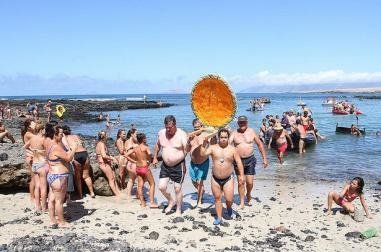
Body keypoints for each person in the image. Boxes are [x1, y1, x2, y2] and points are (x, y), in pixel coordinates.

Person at [201, 128, 244, 225]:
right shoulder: (212, 147)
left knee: (229, 199)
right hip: (215, 178)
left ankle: (229, 207)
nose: (223, 139)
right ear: (218, 138)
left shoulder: (233, 149)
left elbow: (239, 162)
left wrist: (241, 176)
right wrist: (204, 143)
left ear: (228, 138)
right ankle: (219, 218)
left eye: (225, 137)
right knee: (217, 198)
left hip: (228, 178)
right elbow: (202, 154)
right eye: (221, 137)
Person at [229, 115, 268, 208]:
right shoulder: (234, 133)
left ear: (247, 123)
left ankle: (249, 194)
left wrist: (264, 158)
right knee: (240, 182)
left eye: (244, 122)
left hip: (250, 159)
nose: (242, 124)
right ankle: (242, 202)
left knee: (250, 182)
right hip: (238, 161)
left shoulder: (252, 132)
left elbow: (260, 145)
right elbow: (227, 145)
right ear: (238, 123)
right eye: (240, 122)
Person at [152, 115, 188, 215]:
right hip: (165, 165)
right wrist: (155, 157)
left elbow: (186, 150)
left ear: (175, 125)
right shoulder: (161, 133)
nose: (168, 129)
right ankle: (171, 201)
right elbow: (157, 145)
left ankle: (179, 209)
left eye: (170, 127)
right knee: (161, 187)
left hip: (178, 165)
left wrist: (189, 145)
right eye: (166, 127)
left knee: (177, 188)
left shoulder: (182, 134)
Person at [45, 124, 79, 227]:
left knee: (51, 199)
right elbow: (68, 158)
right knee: (59, 201)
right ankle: (61, 222)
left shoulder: (49, 144)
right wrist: (74, 148)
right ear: (55, 135)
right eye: (60, 134)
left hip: (51, 175)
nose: (62, 135)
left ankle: (52, 220)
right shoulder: (56, 147)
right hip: (59, 176)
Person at [186, 119, 215, 207]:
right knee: (194, 181)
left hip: (203, 162)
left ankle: (199, 201)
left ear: (202, 127)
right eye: (195, 128)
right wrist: (188, 142)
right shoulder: (191, 136)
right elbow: (187, 150)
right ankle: (201, 191)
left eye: (198, 127)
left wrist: (214, 135)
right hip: (193, 163)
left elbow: (214, 144)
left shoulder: (206, 135)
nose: (197, 129)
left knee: (199, 182)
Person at [62, 125, 95, 199]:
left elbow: (67, 148)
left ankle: (80, 195)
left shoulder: (64, 138)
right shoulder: (76, 136)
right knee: (86, 176)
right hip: (84, 153)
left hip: (76, 155)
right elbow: (82, 144)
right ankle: (92, 192)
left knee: (78, 177)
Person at [126, 133, 158, 208]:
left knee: (140, 186)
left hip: (138, 168)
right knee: (152, 184)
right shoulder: (145, 147)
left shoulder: (135, 148)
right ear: (143, 139)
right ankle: (152, 202)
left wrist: (134, 161)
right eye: (145, 138)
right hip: (145, 167)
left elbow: (126, 155)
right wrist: (149, 161)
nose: (146, 139)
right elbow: (150, 154)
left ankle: (142, 203)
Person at [23, 121, 49, 211]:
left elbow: (25, 147)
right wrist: (41, 152)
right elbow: (48, 151)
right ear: (41, 130)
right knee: (43, 187)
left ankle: (37, 206)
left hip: (34, 163)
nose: (45, 131)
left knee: (37, 186)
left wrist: (33, 151)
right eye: (44, 129)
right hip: (42, 164)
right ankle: (44, 207)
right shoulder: (43, 140)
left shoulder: (32, 138)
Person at [95, 130, 121, 197]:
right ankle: (117, 194)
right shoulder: (101, 144)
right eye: (106, 135)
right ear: (104, 136)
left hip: (105, 163)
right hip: (104, 164)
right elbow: (103, 156)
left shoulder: (100, 143)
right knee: (111, 179)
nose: (107, 136)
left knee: (113, 177)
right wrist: (112, 158)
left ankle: (118, 191)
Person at [21, 119, 37, 202]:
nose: (35, 125)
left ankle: (34, 195)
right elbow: (39, 139)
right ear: (29, 127)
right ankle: (32, 197)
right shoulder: (29, 134)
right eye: (34, 124)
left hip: (32, 156)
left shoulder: (31, 134)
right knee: (34, 178)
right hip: (30, 157)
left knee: (35, 177)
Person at [125, 128, 138, 199]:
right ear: (132, 134)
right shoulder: (131, 143)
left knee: (131, 180)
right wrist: (135, 161)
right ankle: (138, 195)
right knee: (140, 179)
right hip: (133, 163)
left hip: (130, 163)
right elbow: (127, 154)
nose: (137, 135)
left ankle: (128, 195)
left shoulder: (128, 141)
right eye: (136, 133)